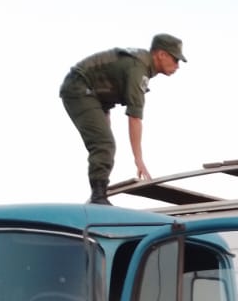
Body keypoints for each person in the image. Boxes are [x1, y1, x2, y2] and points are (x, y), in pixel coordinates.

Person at [59, 34, 186, 204]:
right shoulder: (138, 69)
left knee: (105, 142)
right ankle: (98, 196)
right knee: (104, 143)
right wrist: (139, 159)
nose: (177, 66)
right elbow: (134, 117)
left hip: (94, 94)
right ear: (161, 54)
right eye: (175, 59)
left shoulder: (141, 65)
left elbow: (106, 84)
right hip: (79, 88)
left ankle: (98, 193)